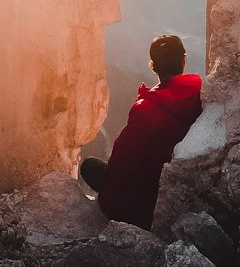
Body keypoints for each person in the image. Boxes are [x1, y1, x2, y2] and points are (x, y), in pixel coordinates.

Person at [80, 33, 202, 231]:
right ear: (184, 60)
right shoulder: (201, 94)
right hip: (182, 198)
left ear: (152, 65)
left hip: (141, 207)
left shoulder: (146, 109)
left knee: (90, 167)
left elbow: (121, 162)